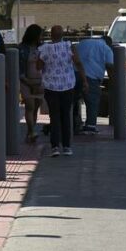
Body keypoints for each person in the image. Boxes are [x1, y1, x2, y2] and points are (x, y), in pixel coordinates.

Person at [37, 25, 88, 157]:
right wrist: (84, 80)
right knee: (66, 116)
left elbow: (39, 66)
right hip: (67, 84)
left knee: (54, 116)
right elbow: (78, 63)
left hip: (51, 86)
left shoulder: (45, 49)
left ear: (51, 35)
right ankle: (67, 146)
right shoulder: (69, 46)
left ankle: (55, 147)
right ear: (62, 35)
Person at [75, 36, 115, 135]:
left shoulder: (83, 42)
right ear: (109, 43)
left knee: (73, 100)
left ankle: (73, 123)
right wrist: (113, 80)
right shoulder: (106, 48)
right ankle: (90, 126)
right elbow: (110, 66)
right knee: (92, 101)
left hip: (74, 74)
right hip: (92, 77)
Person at [18, 24, 45, 143]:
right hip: (26, 81)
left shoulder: (42, 48)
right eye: (40, 35)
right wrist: (26, 81)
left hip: (39, 82)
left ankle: (30, 133)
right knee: (30, 106)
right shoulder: (21, 49)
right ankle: (31, 131)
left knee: (35, 109)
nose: (41, 37)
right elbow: (19, 67)